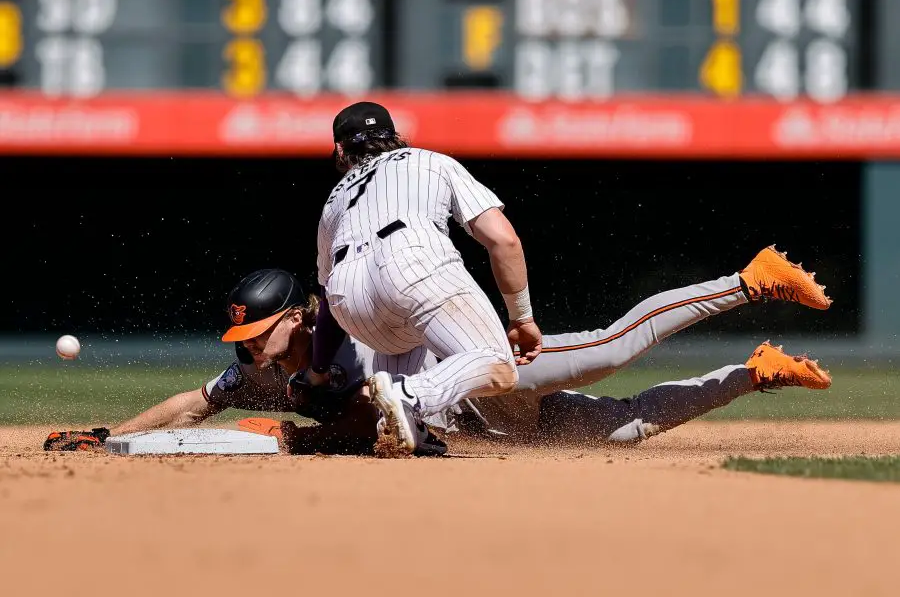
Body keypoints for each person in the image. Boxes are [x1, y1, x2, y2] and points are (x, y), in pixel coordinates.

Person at [44, 247, 833, 453]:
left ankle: (748, 280)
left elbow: (354, 421)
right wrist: (119, 436)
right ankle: (753, 371)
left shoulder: (338, 331)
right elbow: (195, 400)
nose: (251, 351)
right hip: (486, 425)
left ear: (296, 314)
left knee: (608, 350)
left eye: (259, 333)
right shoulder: (266, 371)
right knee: (628, 428)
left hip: (485, 368)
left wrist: (299, 437)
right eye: (243, 341)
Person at [310, 101, 543, 455]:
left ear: (340, 149)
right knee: (497, 362)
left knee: (404, 338)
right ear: (393, 135)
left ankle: (407, 422)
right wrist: (521, 316)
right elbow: (504, 240)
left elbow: (326, 298)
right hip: (411, 262)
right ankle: (409, 394)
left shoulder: (334, 200)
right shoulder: (431, 161)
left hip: (349, 299)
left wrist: (317, 371)